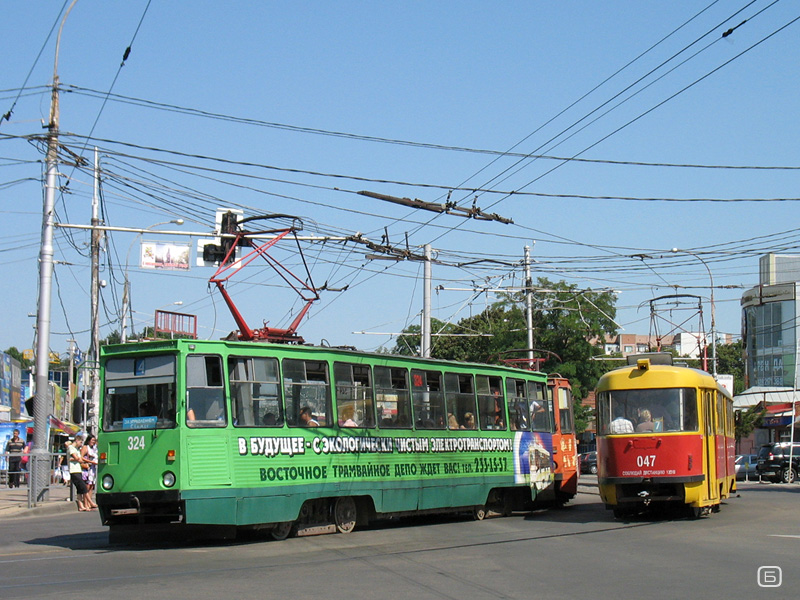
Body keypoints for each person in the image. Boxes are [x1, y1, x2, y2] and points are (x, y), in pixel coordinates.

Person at [68, 435, 91, 511]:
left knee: (80, 489)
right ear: (77, 440)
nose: (81, 444)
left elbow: (79, 458)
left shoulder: (76, 449)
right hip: (73, 470)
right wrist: (78, 459)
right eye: (80, 442)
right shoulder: (71, 448)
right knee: (83, 487)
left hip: (78, 469)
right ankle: (91, 503)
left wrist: (78, 459)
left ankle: (81, 506)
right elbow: (77, 458)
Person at [81, 434, 99, 509]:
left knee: (91, 486)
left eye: (94, 440)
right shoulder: (85, 447)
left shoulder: (94, 448)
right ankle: (85, 503)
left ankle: (89, 503)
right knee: (87, 486)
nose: (93, 442)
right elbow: (81, 457)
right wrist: (91, 462)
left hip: (93, 468)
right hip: (87, 468)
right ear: (88, 440)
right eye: (92, 440)